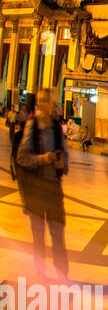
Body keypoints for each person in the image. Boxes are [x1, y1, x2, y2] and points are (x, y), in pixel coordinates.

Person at [16, 88, 70, 278]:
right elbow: (22, 157)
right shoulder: (33, 125)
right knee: (38, 238)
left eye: (44, 101)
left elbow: (66, 157)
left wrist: (61, 163)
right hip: (36, 190)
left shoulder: (56, 127)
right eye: (38, 102)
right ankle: (41, 276)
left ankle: (63, 276)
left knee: (58, 236)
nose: (41, 105)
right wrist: (43, 159)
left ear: (51, 104)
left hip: (53, 189)